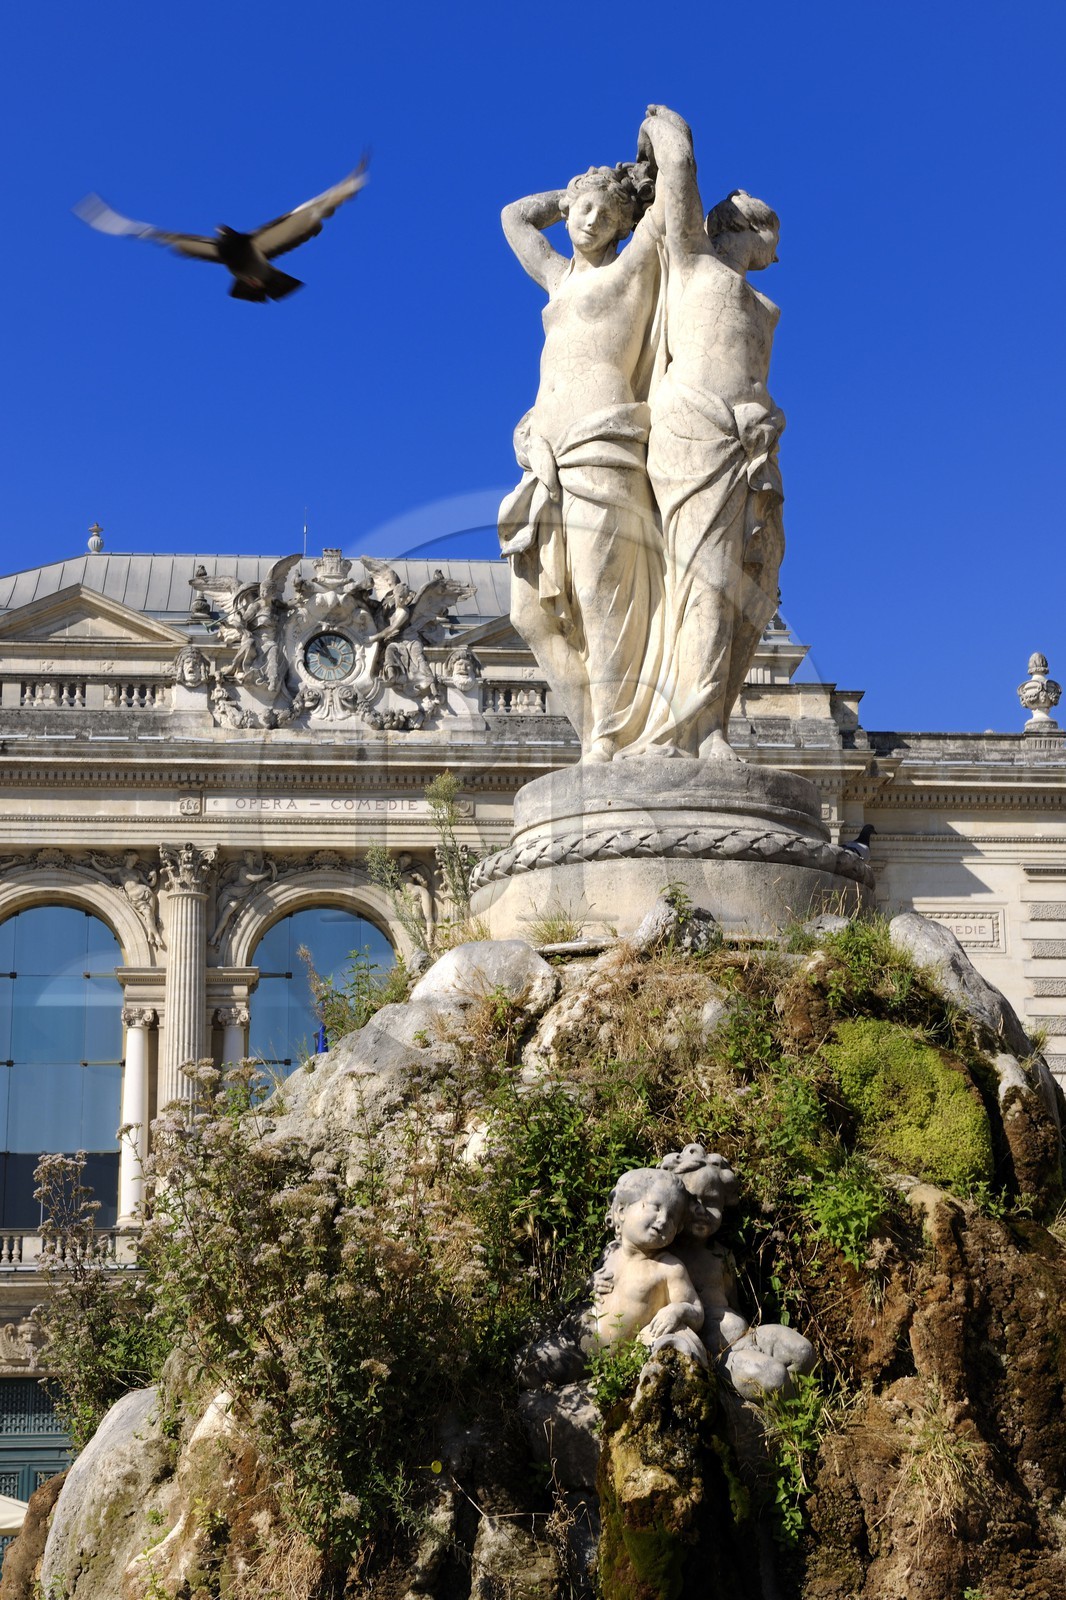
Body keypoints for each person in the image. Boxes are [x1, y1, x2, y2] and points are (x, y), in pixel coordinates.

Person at [499, 161, 667, 761]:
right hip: (543, 448)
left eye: (606, 215)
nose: (590, 222)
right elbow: (514, 217)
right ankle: (599, 728)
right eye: (582, 212)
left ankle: (609, 738)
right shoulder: (557, 279)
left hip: (603, 435)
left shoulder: (631, 267)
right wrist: (574, 194)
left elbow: (672, 194)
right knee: (530, 613)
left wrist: (636, 180)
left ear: (625, 225)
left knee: (598, 592)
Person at [637, 105, 786, 760]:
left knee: (754, 582)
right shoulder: (691, 262)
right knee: (702, 576)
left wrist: (768, 419)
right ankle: (694, 726)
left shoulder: (764, 305)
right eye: (772, 241)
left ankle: (712, 711)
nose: (775, 257)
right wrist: (666, 133)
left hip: (751, 446)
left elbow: (755, 374)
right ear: (749, 229)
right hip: (694, 425)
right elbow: (679, 168)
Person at [593, 1167, 704, 1359]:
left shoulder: (668, 1268)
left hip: (628, 1357)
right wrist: (591, 1283)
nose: (663, 1221)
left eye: (672, 1217)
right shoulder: (610, 1252)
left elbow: (697, 1310)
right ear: (621, 1210)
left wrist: (678, 1310)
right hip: (580, 1344)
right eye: (656, 1207)